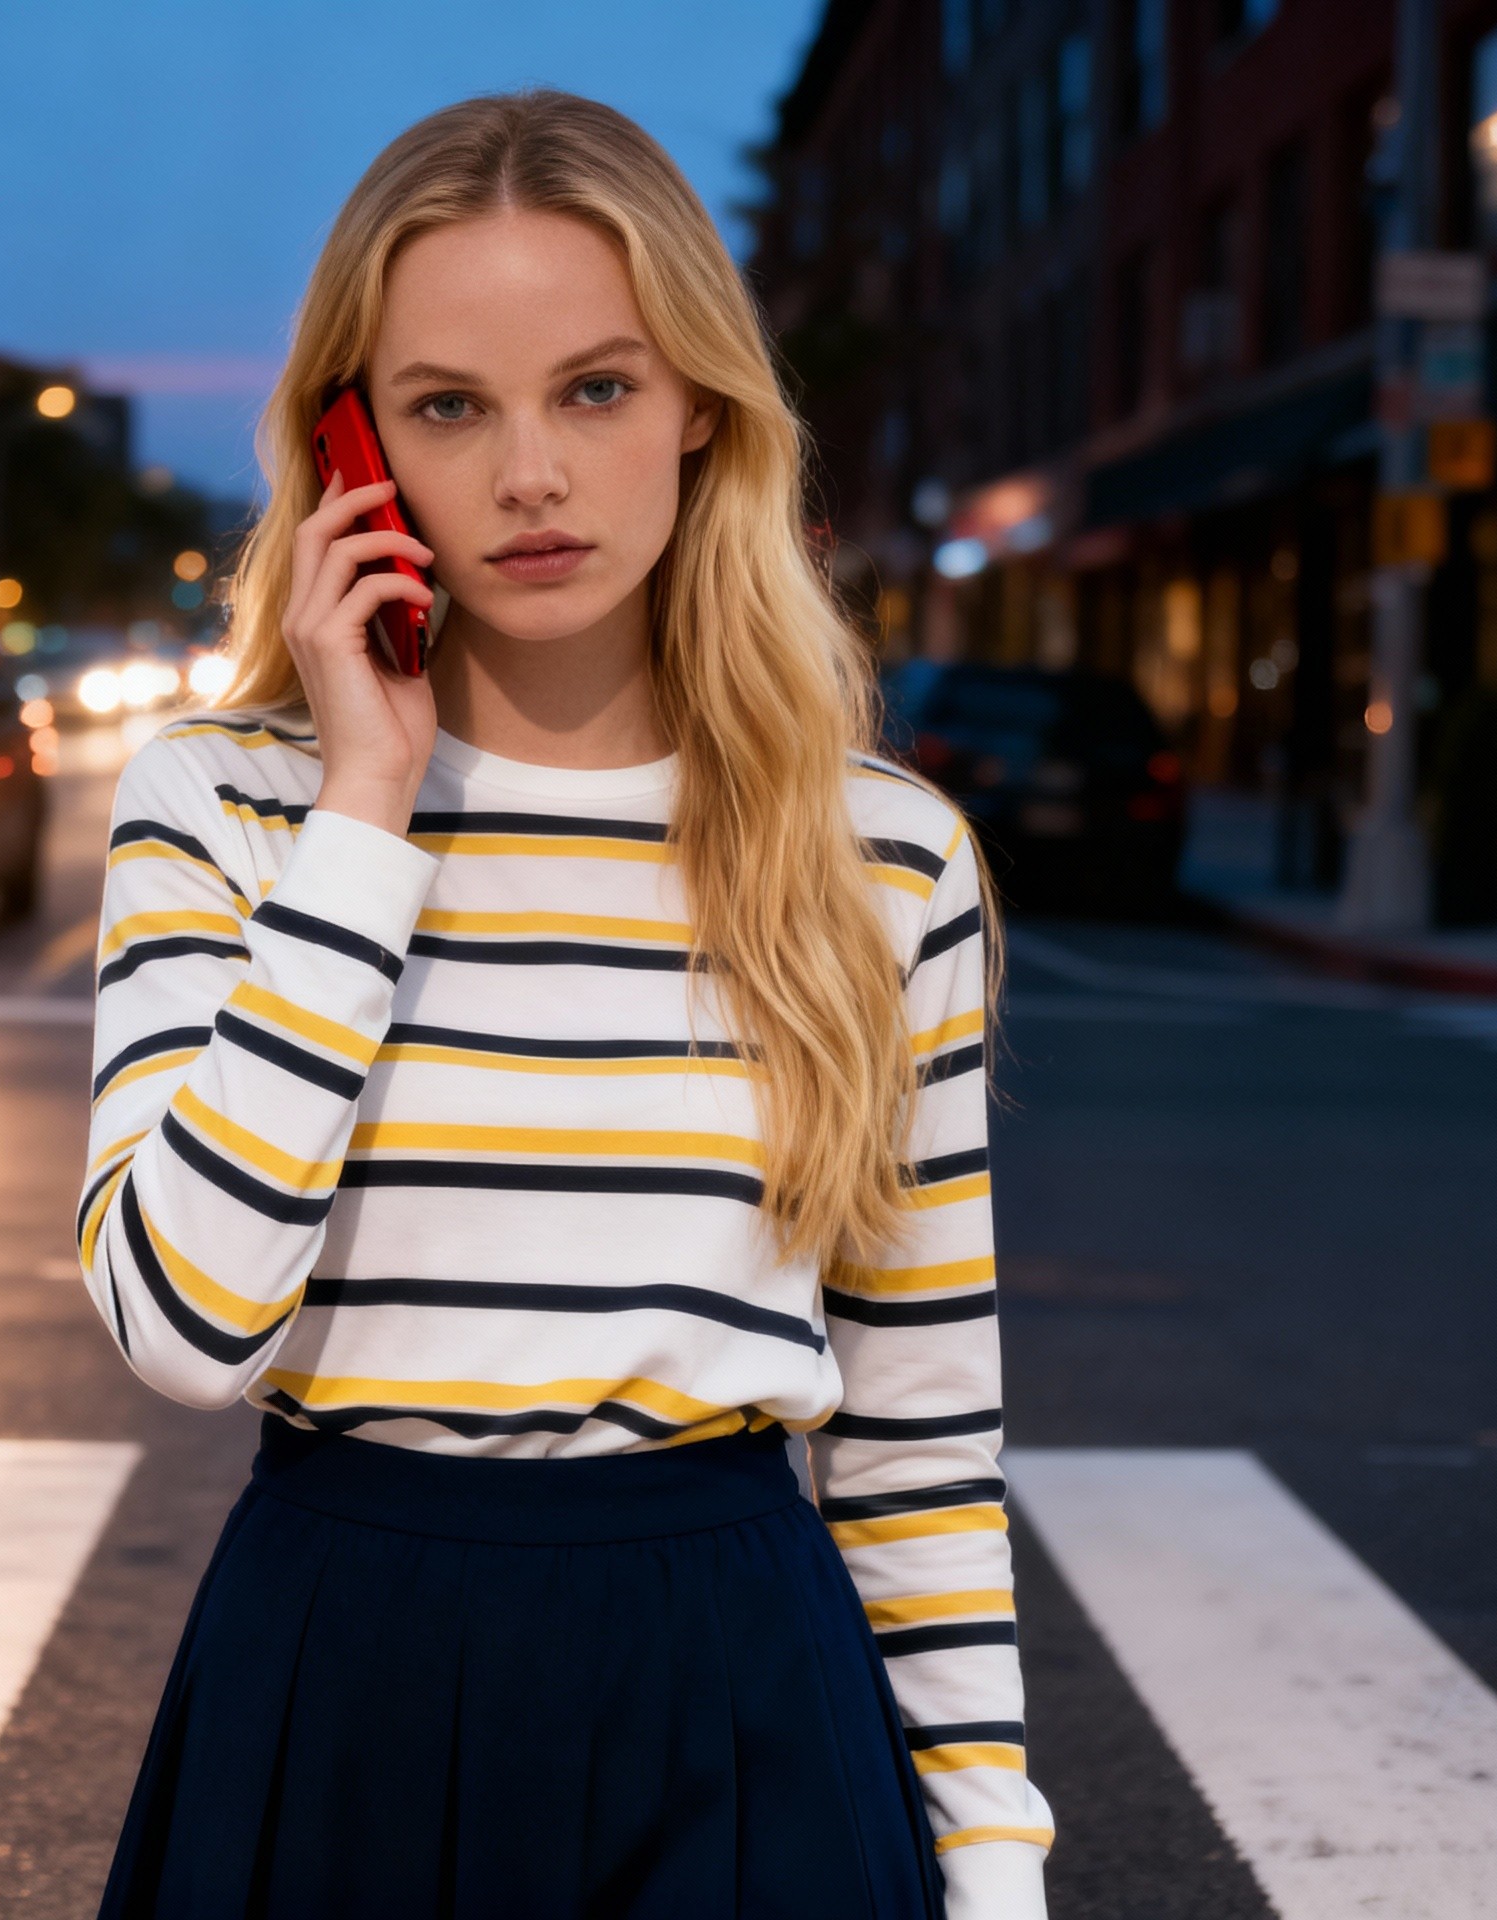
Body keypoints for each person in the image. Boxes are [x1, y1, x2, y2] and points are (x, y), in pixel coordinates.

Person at [78, 90, 1051, 1920]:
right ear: (353, 447)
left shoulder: (881, 852)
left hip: (740, 1690)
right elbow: (182, 1327)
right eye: (451, 405)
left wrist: (991, 1865)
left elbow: (921, 1430)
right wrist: (367, 813)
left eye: (596, 389)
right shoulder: (224, 805)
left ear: (700, 405)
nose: (530, 474)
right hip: (338, 1678)